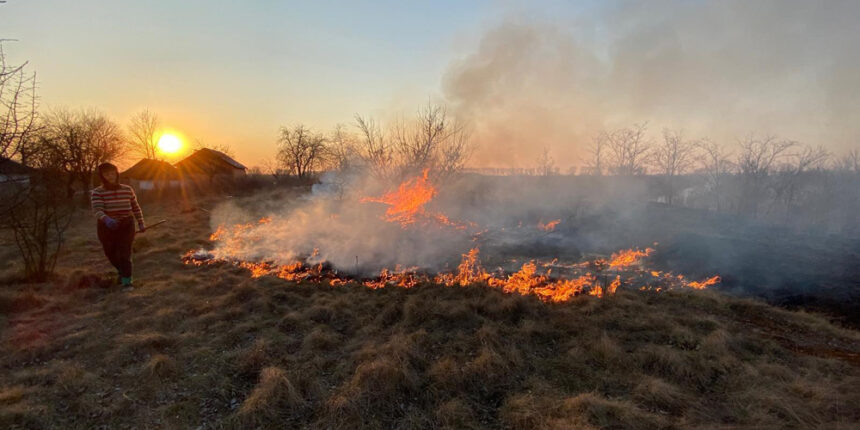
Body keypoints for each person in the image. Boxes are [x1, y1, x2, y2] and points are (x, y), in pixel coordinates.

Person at [90, 162, 146, 289]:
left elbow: (135, 207)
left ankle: (127, 282)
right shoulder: (97, 192)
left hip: (126, 224)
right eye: (106, 174)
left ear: (116, 173)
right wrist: (107, 219)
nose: (110, 176)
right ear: (102, 176)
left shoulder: (127, 190)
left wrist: (141, 222)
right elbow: (97, 210)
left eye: (112, 173)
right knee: (110, 253)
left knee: (124, 253)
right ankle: (121, 271)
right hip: (106, 226)